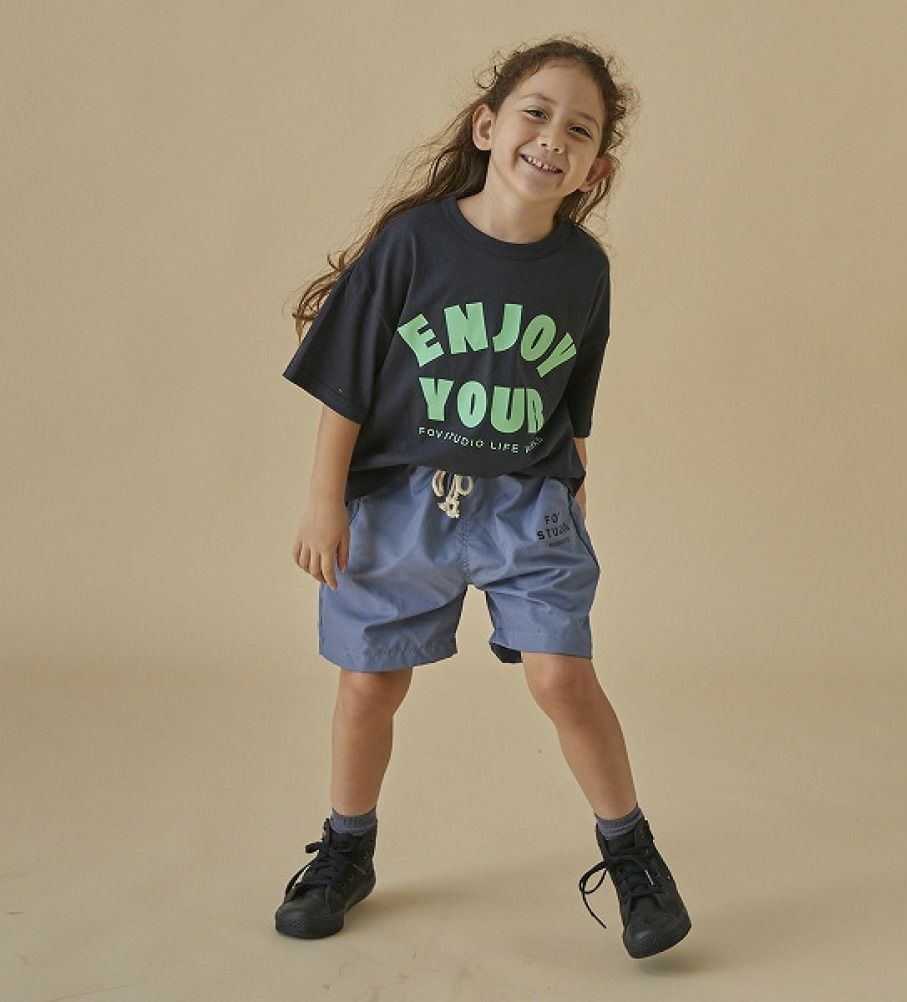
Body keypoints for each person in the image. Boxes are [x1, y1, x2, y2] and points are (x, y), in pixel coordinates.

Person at [274, 35, 691, 959]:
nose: (553, 139)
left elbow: (573, 402)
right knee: (368, 684)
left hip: (527, 507)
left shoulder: (584, 270)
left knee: (562, 678)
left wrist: (576, 496)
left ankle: (633, 856)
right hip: (399, 504)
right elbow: (345, 380)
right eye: (536, 114)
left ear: (597, 167)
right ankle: (346, 849)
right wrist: (323, 499)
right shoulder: (413, 244)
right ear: (487, 126)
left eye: (579, 131)